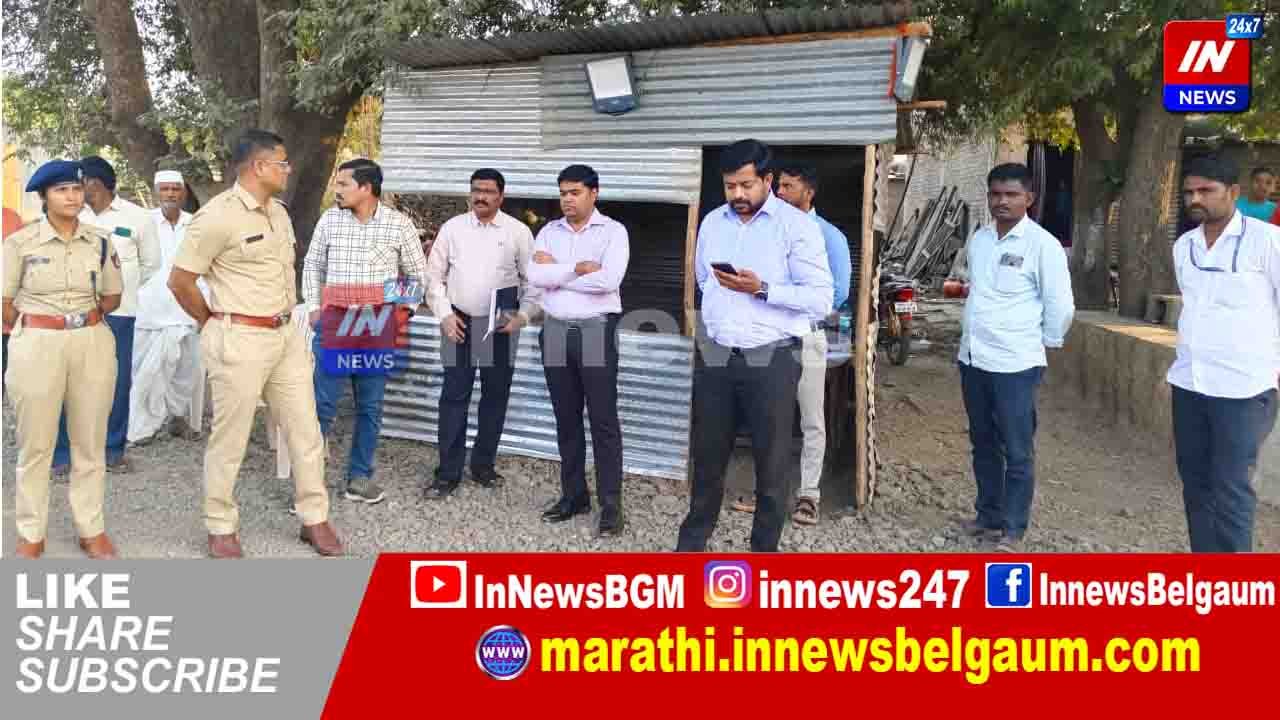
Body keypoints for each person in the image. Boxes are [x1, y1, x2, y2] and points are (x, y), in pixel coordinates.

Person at [168, 129, 342, 558]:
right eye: (282, 163)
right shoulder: (216, 217)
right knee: (231, 438)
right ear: (259, 166)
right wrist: (210, 321)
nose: (288, 169)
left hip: (285, 336)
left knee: (306, 430)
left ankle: (314, 518)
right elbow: (181, 281)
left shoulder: (279, 213)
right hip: (239, 338)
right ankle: (220, 524)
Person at [676, 140, 833, 553]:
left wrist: (762, 289)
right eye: (730, 186)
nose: (738, 195)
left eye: (746, 185)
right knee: (707, 458)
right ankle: (691, 547)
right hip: (717, 355)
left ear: (768, 180)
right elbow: (704, 280)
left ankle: (763, 553)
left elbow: (821, 299)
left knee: (772, 463)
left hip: (773, 358)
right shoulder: (713, 222)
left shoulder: (797, 227)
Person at [4, 160, 124, 559]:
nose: (72, 197)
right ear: (44, 197)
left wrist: (80, 321)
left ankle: (91, 529)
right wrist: (41, 323)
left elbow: (112, 296)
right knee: (36, 444)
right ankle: (31, 532)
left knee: (89, 441)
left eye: (76, 189)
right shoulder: (20, 243)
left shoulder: (100, 241)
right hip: (38, 343)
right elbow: (5, 302)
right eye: (61, 191)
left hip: (91, 340)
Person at [957, 162, 1074, 550]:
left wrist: (1044, 343)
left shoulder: (1042, 245)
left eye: (1011, 195)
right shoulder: (980, 240)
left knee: (1017, 448)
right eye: (995, 194)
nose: (1002, 201)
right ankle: (988, 515)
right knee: (983, 443)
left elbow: (1060, 304)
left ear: (1029, 198)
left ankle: (1013, 527)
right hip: (973, 359)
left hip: (1016, 363)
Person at [1168, 154, 1280, 553]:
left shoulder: (1267, 241)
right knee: (1196, 483)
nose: (1195, 199)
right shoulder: (1185, 246)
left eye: (1206, 190)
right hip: (1189, 383)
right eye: (1189, 192)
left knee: (1231, 486)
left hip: (1244, 388)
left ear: (1233, 192)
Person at [729, 164, 850, 526]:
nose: (779, 192)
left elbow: (837, 293)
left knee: (811, 419)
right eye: (778, 185)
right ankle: (767, 492)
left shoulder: (829, 236)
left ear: (808, 192)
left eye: (788, 186)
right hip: (769, 336)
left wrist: (781, 298)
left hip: (807, 335)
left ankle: (809, 495)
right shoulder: (766, 229)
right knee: (769, 418)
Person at [303, 158, 428, 505]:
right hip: (335, 324)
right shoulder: (330, 220)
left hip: (376, 327)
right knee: (321, 405)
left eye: (343, 184)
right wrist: (313, 307)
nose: (337, 190)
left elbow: (418, 274)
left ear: (366, 188)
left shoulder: (398, 224)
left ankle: (358, 479)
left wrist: (401, 312)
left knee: (370, 406)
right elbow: (313, 265)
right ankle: (308, 487)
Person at [528, 164, 629, 536]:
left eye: (575, 192)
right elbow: (535, 276)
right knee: (566, 418)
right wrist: (577, 269)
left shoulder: (613, 232)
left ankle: (611, 505)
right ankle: (574, 496)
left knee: (603, 420)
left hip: (594, 332)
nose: (567, 200)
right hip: (555, 330)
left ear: (593, 193)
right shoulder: (548, 232)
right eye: (563, 193)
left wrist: (558, 272)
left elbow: (608, 281)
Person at [423, 168, 537, 498]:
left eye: (488, 191)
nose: (481, 196)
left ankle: (483, 466)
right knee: (453, 397)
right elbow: (433, 277)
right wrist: (444, 315)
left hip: (500, 326)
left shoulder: (517, 232)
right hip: (457, 323)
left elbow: (533, 282)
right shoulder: (453, 228)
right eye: (476, 190)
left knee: (495, 397)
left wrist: (523, 316)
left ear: (501, 196)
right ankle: (448, 473)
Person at [50, 155, 161, 474]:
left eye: (79, 183)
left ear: (94, 183)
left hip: (120, 314)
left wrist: (119, 290)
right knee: (67, 381)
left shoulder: (138, 218)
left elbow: (150, 265)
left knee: (117, 382)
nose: (73, 191)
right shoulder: (69, 214)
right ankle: (63, 455)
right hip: (74, 312)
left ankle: (112, 450)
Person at [129, 170, 206, 445]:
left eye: (175, 188)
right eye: (165, 189)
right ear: (155, 192)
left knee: (186, 370)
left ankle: (176, 418)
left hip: (187, 309)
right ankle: (142, 427)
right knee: (146, 373)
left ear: (184, 192)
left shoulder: (195, 223)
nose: (170, 194)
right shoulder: (143, 222)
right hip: (150, 309)